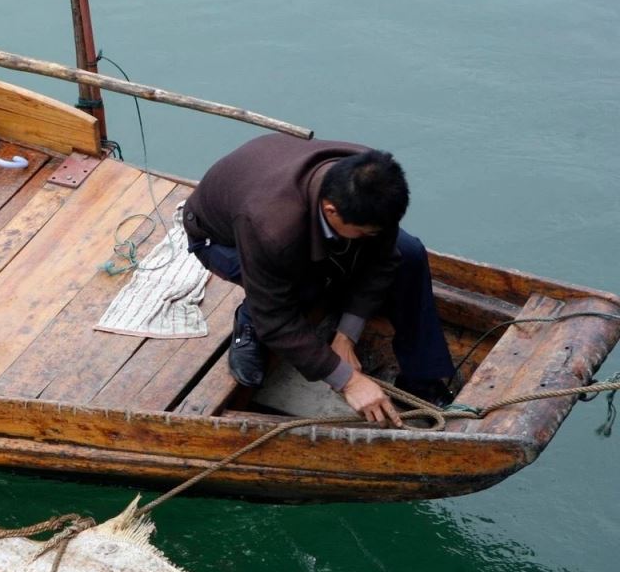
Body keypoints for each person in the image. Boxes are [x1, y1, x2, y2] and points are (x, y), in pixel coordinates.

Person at [182, 134, 455, 426]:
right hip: (221, 242)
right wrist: (348, 380)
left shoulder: (374, 181)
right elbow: (277, 320)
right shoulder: (271, 227)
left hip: (280, 200)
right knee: (304, 285)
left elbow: (383, 259)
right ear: (331, 211)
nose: (372, 236)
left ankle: (421, 378)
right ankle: (248, 319)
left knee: (408, 253)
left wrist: (345, 336)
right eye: (366, 231)